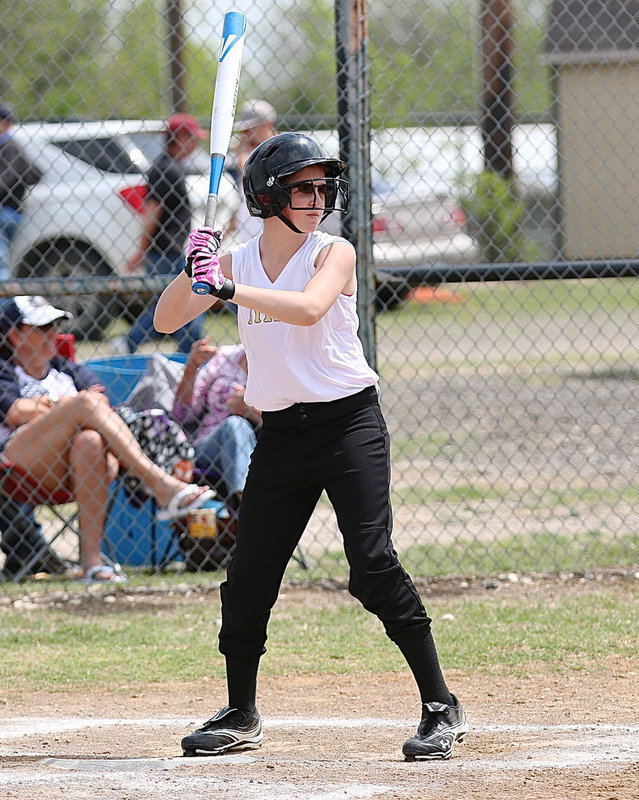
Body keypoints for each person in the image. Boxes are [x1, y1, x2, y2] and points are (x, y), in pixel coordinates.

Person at [154, 133, 469, 761]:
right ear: (268, 196)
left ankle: (441, 706)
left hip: (348, 425)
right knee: (248, 578)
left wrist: (225, 290)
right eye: (304, 187)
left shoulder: (335, 253)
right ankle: (241, 711)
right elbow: (166, 319)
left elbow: (306, 309)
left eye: (325, 188)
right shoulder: (238, 260)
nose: (319, 198)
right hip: (281, 434)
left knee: (372, 568)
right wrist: (196, 270)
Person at [0, 295, 213, 583]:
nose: (51, 335)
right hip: (17, 466)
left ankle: (92, 564)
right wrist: (69, 407)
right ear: (15, 335)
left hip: (73, 468)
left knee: (90, 441)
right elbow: (16, 412)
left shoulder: (65, 368)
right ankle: (160, 483)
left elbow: (102, 405)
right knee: (83, 405)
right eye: (41, 327)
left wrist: (54, 407)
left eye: (54, 326)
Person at [123, 113, 208, 354]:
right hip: (166, 250)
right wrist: (142, 249)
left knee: (181, 302)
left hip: (171, 249)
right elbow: (152, 211)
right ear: (181, 137)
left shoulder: (171, 167)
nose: (196, 144)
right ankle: (132, 341)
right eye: (193, 138)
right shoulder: (165, 169)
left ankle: (187, 350)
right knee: (177, 301)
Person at [172, 337, 260, 509]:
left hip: (263, 445)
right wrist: (192, 368)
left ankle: (246, 510)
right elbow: (182, 415)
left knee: (237, 424)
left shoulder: (282, 363)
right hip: (210, 445)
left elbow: (293, 424)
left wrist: (251, 411)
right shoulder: (227, 357)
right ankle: (247, 506)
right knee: (234, 425)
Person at [0, 103, 41, 318]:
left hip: (2, 211)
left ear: (3, 123)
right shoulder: (6, 147)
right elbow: (32, 173)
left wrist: (7, 191)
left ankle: (3, 316)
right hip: (7, 210)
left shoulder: (9, 147)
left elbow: (2, 181)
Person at [223, 100, 277, 245]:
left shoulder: (277, 151)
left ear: (266, 124)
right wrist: (223, 236)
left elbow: (251, 174)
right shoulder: (252, 153)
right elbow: (244, 203)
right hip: (249, 243)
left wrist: (241, 152)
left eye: (249, 129)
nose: (245, 135)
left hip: (270, 242)